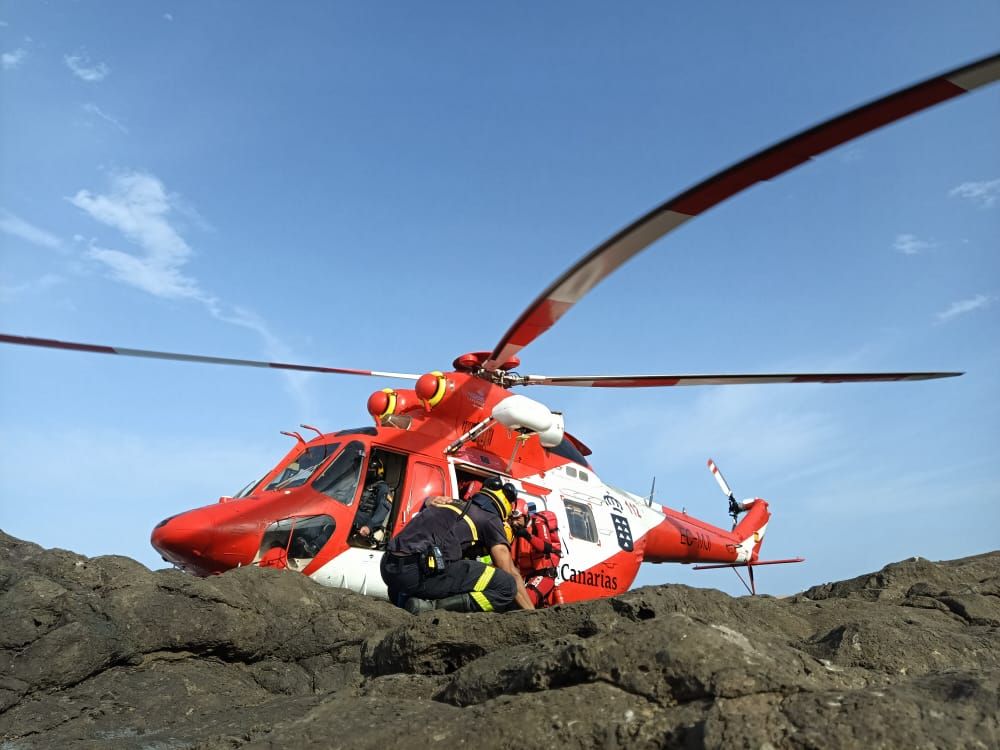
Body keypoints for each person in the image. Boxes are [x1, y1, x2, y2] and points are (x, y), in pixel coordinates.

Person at [380, 476, 534, 613]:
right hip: (414, 574)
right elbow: (510, 572)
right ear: (506, 503)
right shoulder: (490, 520)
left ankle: (407, 599)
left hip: (388, 568)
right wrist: (533, 614)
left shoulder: (452, 503)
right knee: (506, 585)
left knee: (451, 564)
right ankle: (431, 608)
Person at [511, 500, 564, 607]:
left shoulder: (538, 523)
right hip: (527, 577)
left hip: (544, 574)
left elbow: (546, 547)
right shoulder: (516, 532)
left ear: (525, 515)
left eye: (517, 518)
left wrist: (527, 535)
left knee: (527, 599)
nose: (514, 522)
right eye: (512, 519)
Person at [353, 458, 393, 544]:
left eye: (370, 470)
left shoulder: (382, 487)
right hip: (355, 513)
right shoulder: (360, 484)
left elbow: (383, 509)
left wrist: (369, 526)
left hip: (365, 520)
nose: (367, 472)